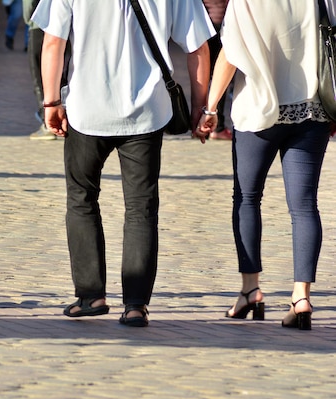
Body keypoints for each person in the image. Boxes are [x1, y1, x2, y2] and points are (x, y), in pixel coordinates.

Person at [33, 0, 215, 326]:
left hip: (87, 108)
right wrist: (200, 107)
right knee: (141, 207)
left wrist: (50, 101)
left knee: (81, 199)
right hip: (147, 110)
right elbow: (198, 47)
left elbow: (52, 42)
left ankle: (91, 295)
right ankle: (135, 304)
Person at [196, 0, 336, 330]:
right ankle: (301, 298)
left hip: (258, 109)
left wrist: (210, 108)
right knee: (304, 206)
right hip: (311, 108)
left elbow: (230, 54)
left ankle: (250, 290)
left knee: (247, 199)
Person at [23, 0, 70, 141]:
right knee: (63, 73)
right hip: (66, 24)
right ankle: (66, 118)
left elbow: (29, 4)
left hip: (40, 24)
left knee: (40, 76)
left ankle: (47, 123)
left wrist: (30, 19)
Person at [202, 0, 232, 140]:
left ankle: (199, 123)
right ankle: (217, 127)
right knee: (220, 77)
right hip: (223, 26)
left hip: (201, 27)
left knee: (202, 77)